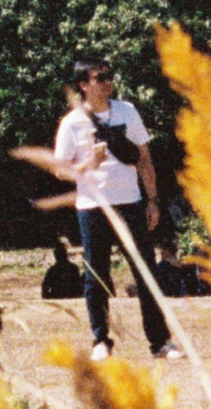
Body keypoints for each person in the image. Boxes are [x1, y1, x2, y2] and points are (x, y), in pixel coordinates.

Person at [52, 57, 171, 361]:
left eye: (109, 76)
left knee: (146, 271)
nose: (107, 82)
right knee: (97, 274)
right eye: (99, 78)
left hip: (130, 203)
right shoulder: (72, 123)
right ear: (83, 85)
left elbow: (144, 157)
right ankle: (100, 341)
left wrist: (153, 199)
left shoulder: (127, 111)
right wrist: (87, 164)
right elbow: (60, 170)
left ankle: (160, 342)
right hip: (93, 207)